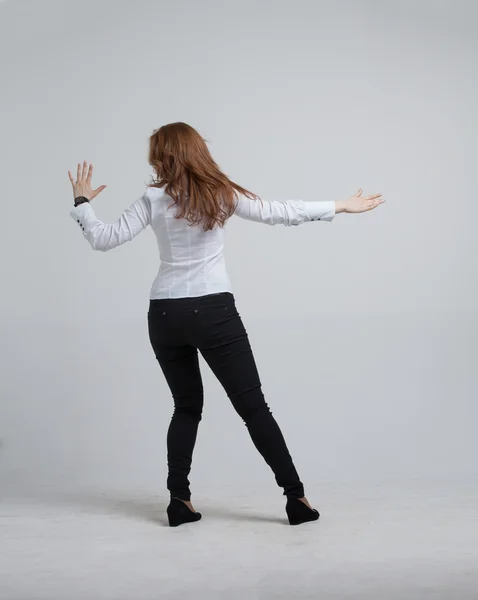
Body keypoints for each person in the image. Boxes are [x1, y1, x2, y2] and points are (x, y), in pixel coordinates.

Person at [68, 122, 385, 527]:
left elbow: (103, 238)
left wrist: (82, 202)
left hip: (164, 314)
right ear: (197, 151)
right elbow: (279, 213)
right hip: (213, 311)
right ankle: (296, 500)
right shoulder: (221, 193)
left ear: (163, 156)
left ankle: (179, 502)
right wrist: (338, 205)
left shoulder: (152, 199)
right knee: (253, 408)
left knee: (185, 407)